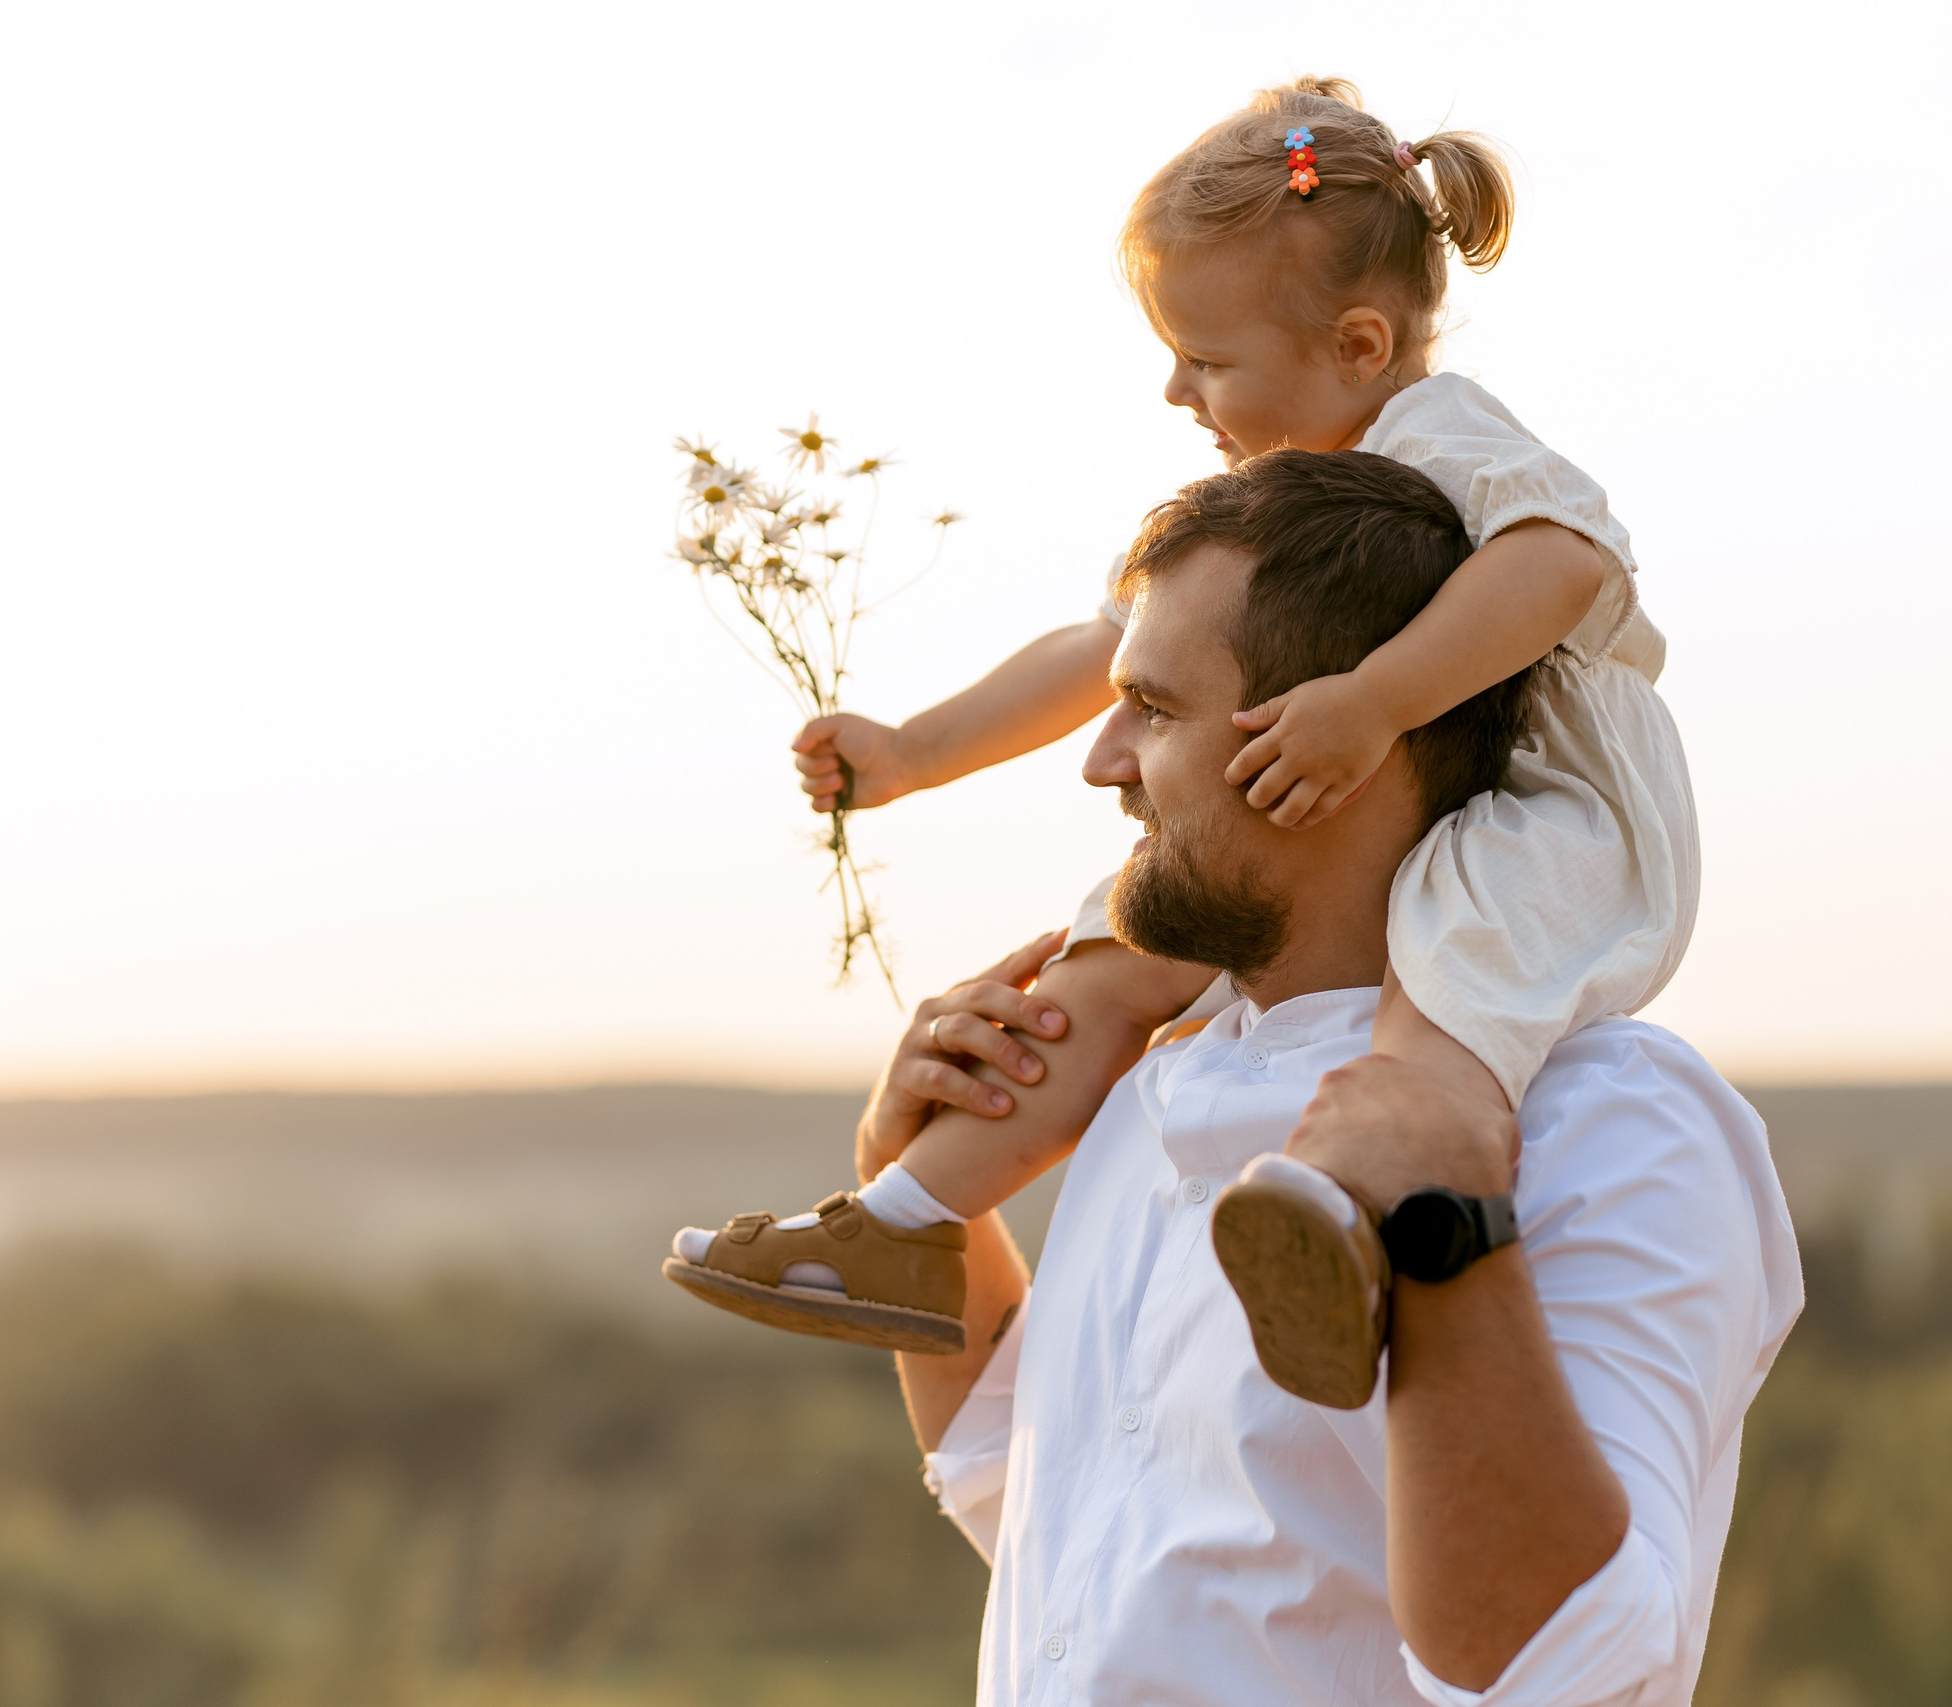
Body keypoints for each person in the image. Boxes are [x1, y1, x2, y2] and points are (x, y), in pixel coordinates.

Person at [664, 78, 1701, 1408]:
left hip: (1522, 798)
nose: (1174, 388)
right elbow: (1105, 647)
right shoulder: (1250, 509)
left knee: (1452, 986)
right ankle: (909, 1222)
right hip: (1315, 804)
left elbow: (1559, 564)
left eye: (1206, 359)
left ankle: (1361, 1220)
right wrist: (915, 750)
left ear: (1362, 343)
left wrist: (1377, 698)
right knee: (1106, 957)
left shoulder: (1441, 437)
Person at [807, 450, 1797, 1706]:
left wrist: (1444, 1229)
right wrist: (925, 1206)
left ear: (1339, 748)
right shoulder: (1146, 1101)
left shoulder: (1609, 1120)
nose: (1100, 761)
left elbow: (1573, 1672)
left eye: (1154, 710)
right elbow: (1050, 1513)